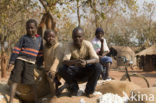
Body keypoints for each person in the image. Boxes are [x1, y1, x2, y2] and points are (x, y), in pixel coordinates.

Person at [59, 27, 102, 97]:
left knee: (98, 66)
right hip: (75, 72)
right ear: (72, 37)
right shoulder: (69, 45)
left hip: (86, 71)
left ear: (83, 37)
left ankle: (89, 91)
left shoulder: (88, 44)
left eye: (79, 37)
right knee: (61, 69)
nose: (77, 39)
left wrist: (86, 62)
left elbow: (96, 59)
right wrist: (75, 62)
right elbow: (64, 61)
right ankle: (74, 89)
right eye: (75, 37)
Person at [7, 19, 43, 103]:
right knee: (15, 80)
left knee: (31, 82)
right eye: (28, 28)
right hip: (20, 60)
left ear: (36, 28)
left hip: (31, 63)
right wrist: (11, 61)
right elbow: (16, 49)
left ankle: (36, 100)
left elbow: (40, 53)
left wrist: (40, 64)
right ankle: (11, 100)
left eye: (32, 28)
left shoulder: (40, 40)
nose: (30, 30)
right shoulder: (23, 38)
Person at [43, 30, 64, 96]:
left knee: (51, 78)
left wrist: (53, 69)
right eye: (49, 36)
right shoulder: (44, 47)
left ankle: (54, 95)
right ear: (45, 38)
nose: (51, 38)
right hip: (47, 70)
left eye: (53, 36)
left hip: (57, 69)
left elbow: (57, 60)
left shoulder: (58, 46)